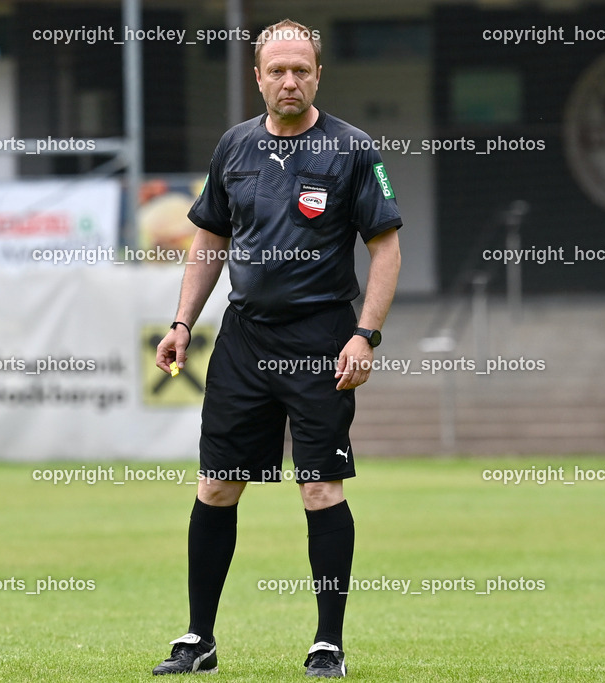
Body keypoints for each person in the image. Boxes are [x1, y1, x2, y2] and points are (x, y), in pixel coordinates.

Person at [152, 18, 402, 678]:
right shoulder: (233, 147)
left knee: (320, 488)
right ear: (257, 76)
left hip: (323, 337)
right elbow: (209, 242)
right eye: (276, 70)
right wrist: (181, 322)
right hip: (244, 337)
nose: (289, 80)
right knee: (216, 486)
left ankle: (328, 643)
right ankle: (197, 637)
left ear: (318, 74)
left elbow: (385, 247)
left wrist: (364, 334)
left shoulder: (352, 148)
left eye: (301, 69)